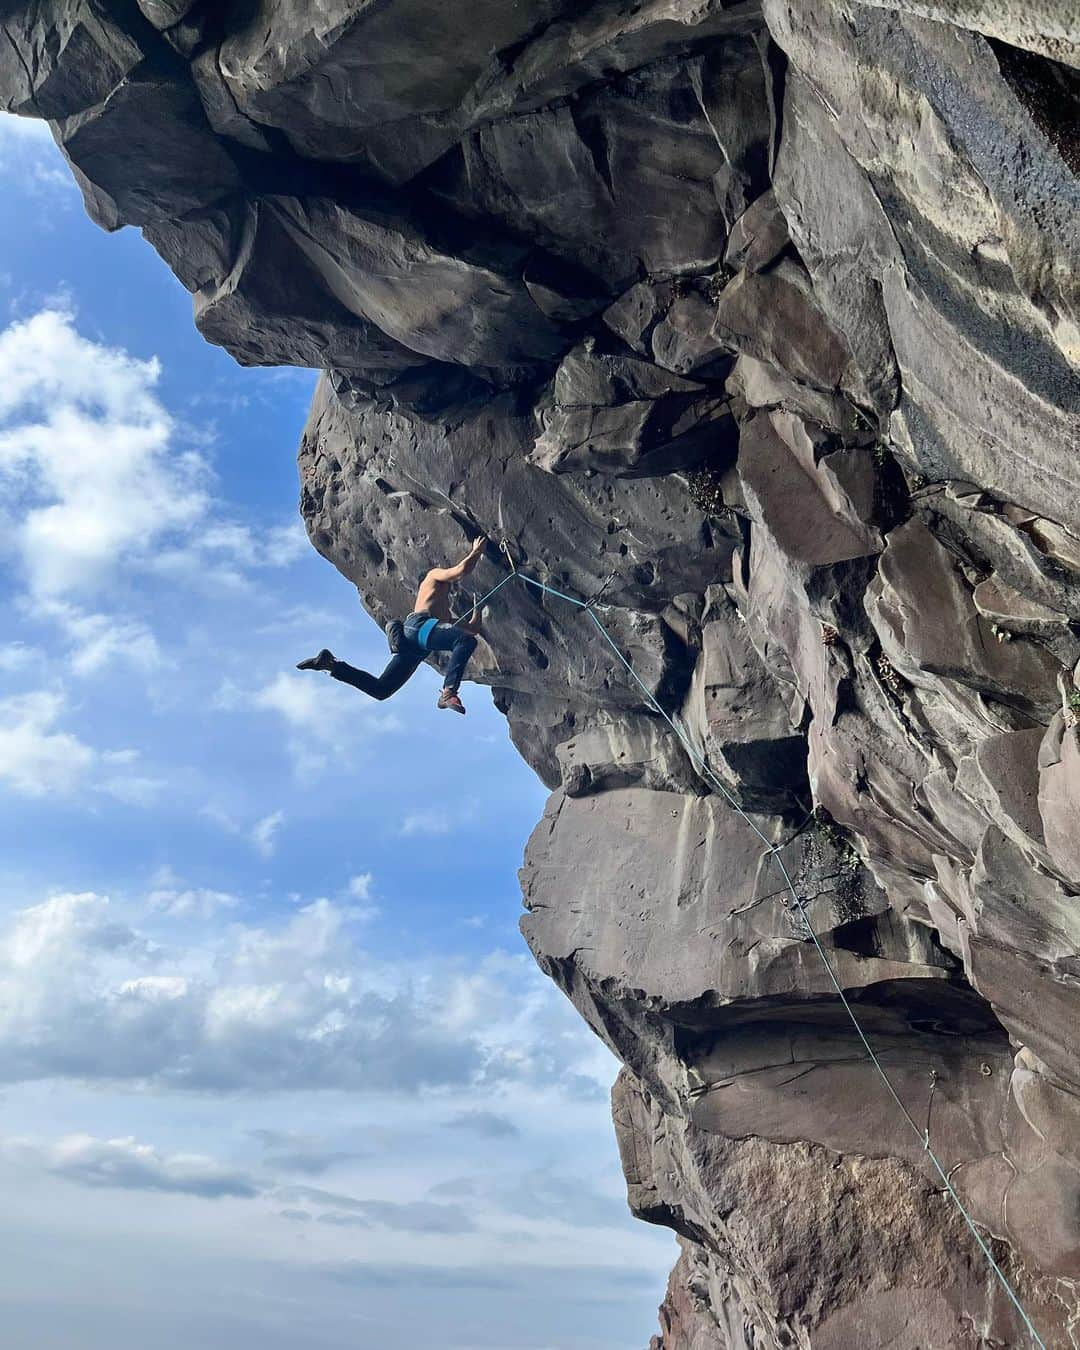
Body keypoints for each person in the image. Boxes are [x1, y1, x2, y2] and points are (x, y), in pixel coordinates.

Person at [297, 537, 488, 715]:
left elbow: (472, 629)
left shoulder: (444, 612)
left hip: (416, 646)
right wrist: (476, 552)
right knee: (464, 641)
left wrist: (477, 608)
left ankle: (331, 665)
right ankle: (449, 692)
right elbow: (460, 571)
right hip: (418, 627)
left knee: (382, 690)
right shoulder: (433, 576)